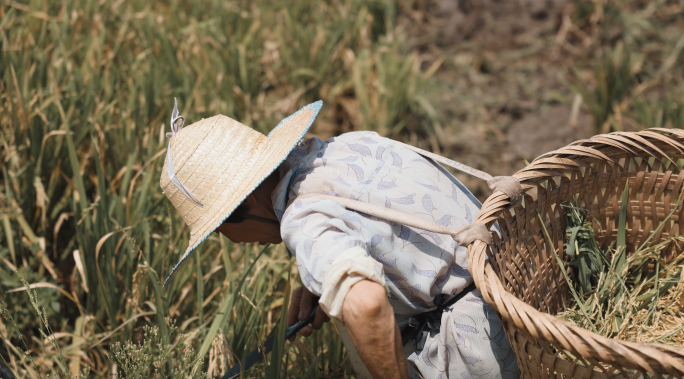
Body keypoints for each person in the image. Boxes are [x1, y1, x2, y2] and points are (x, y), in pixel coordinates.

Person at [160, 100, 519, 379]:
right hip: (516, 275)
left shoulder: (303, 220)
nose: (235, 243)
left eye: (221, 231)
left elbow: (367, 306)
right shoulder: (345, 146)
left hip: (487, 340)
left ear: (247, 204)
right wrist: (324, 284)